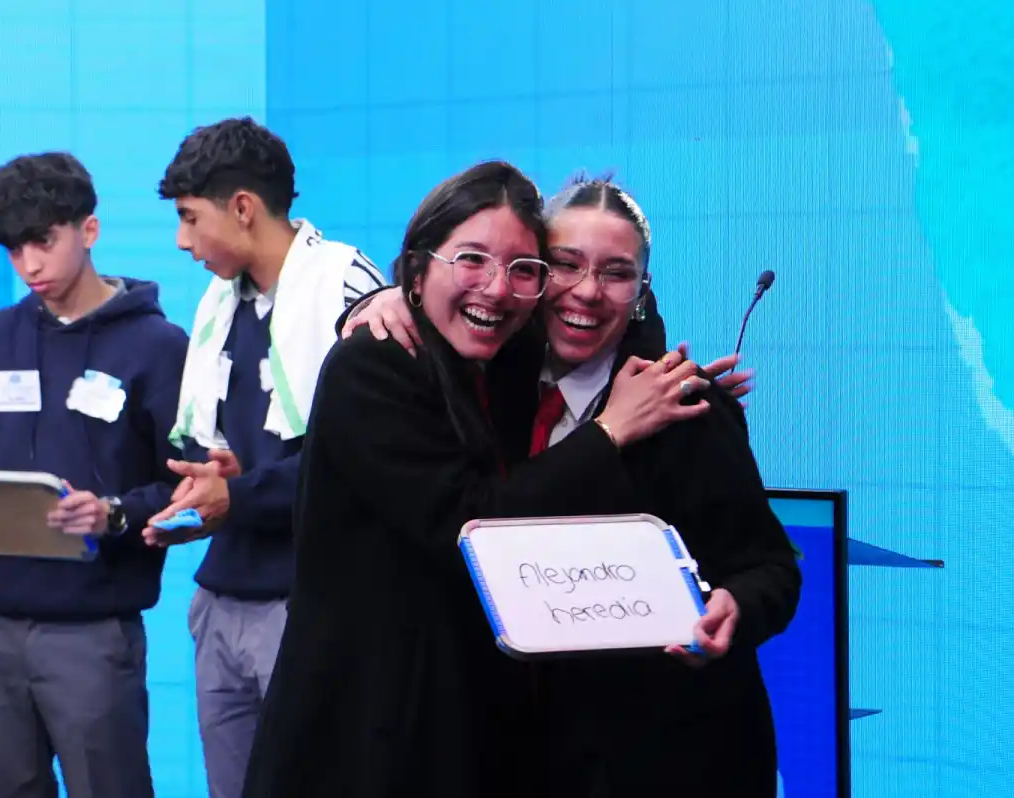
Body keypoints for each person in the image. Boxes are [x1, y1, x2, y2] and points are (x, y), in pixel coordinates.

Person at [237, 161, 711, 798]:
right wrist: (609, 431)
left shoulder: (499, 359)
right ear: (419, 265)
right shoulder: (374, 365)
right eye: (471, 260)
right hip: (366, 727)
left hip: (463, 722)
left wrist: (675, 380)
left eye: (523, 269)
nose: (496, 287)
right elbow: (468, 524)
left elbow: (600, 314)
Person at [342, 174, 802, 796]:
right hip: (519, 756)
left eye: (616, 272)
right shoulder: (481, 386)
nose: (587, 291)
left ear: (641, 291)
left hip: (669, 758)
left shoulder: (685, 407)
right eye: (565, 264)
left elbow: (771, 568)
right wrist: (381, 301)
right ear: (532, 275)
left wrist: (735, 607)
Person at [0, 152, 188, 798]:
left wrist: (112, 513)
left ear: (89, 230)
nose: (29, 265)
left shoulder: (158, 348)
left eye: (43, 242)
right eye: (15, 250)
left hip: (93, 629)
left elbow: (192, 491)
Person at [145, 117, 385, 798]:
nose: (182, 241)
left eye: (191, 219)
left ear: (244, 207)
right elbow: (215, 451)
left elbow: (367, 459)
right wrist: (210, 482)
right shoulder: (218, 304)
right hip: (222, 601)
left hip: (314, 604)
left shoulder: (351, 290)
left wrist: (240, 496)